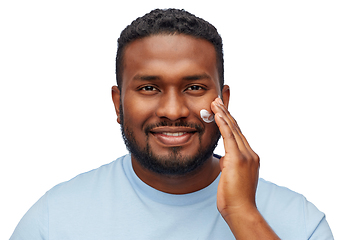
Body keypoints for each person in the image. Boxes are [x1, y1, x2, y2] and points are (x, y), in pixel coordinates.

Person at [10, 8, 333, 239]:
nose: (174, 110)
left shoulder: (300, 222)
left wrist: (242, 214)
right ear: (117, 104)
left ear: (224, 101)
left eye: (194, 88)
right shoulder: (53, 221)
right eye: (149, 88)